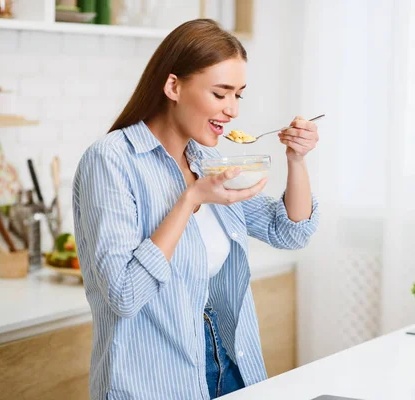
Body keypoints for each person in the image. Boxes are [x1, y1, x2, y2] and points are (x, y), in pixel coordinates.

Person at [72, 19, 320, 399]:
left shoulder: (207, 160)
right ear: (173, 86)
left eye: (239, 95)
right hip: (155, 381)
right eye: (220, 94)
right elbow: (123, 295)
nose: (233, 110)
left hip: (230, 366)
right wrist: (189, 201)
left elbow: (289, 231)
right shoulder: (111, 160)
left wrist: (297, 160)